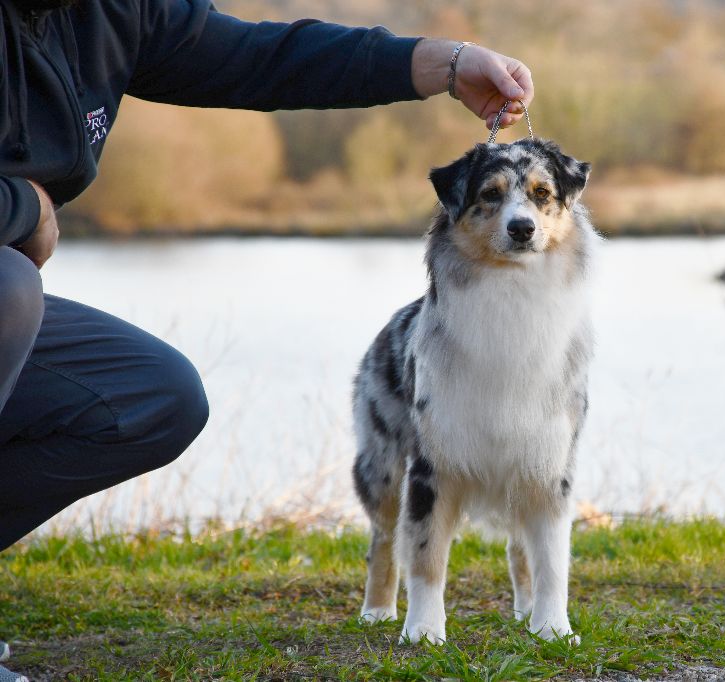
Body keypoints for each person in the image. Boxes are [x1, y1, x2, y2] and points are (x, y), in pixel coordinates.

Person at [0, 0, 534, 678]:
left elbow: (259, 58)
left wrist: (443, 64)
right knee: (9, 285)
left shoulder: (111, 11)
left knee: (149, 395)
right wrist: (25, 211)